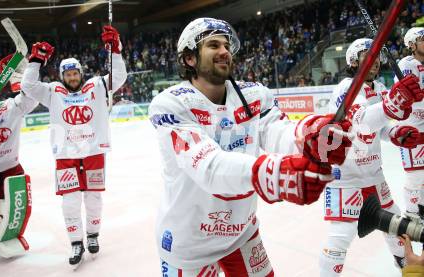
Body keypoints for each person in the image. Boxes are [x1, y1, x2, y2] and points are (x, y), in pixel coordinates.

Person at [149, 17, 356, 276]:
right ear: (189, 59)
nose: (225, 51)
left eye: (226, 45)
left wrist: (310, 134)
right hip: (189, 244)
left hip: (242, 233)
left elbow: (277, 131)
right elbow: (208, 166)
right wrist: (276, 174)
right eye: (213, 45)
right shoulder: (170, 104)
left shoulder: (252, 94)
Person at [21, 25, 127, 268]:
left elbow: (119, 78)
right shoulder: (52, 92)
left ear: (80, 73)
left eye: (75, 73)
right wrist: (35, 60)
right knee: (69, 201)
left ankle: (92, 235)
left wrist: (116, 50)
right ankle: (75, 241)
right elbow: (28, 86)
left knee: (93, 199)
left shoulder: (96, 86)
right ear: (62, 76)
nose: (71, 77)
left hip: (93, 152)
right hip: (66, 154)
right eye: (67, 74)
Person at [319, 38, 424, 276]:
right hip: (347, 179)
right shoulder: (346, 87)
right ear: (353, 61)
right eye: (367, 54)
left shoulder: (379, 88)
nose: (374, 60)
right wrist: (390, 104)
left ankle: (408, 268)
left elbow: (381, 128)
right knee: (340, 241)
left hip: (374, 176)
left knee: (398, 229)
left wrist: (398, 133)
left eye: (376, 55)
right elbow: (361, 121)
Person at [0, 54, 38, 258]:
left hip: (11, 169)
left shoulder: (10, 107)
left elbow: (31, 99)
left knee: (12, 211)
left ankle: (5, 239)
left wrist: (21, 82)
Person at [395, 27, 424, 222]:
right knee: (415, 176)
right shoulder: (406, 63)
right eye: (423, 39)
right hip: (412, 131)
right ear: (411, 44)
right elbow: (406, 94)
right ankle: (412, 213)